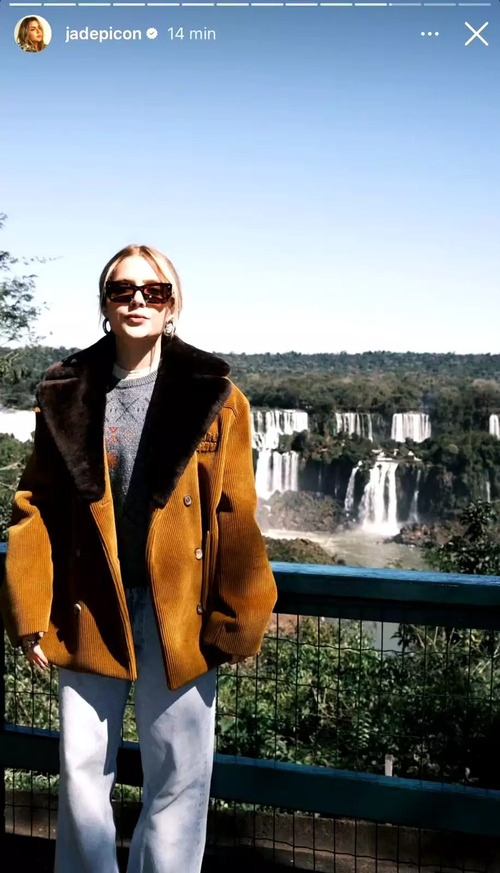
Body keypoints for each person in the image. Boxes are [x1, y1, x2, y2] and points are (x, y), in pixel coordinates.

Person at [0, 244, 278, 873]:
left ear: (173, 306)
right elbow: (35, 505)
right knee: (79, 774)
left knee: (181, 775)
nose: (138, 301)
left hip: (180, 608)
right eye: (123, 290)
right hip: (88, 604)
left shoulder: (217, 395)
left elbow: (235, 510)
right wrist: (27, 611)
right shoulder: (66, 390)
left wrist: (241, 615)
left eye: (154, 291)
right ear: (105, 303)